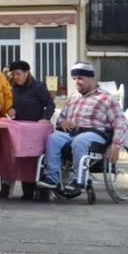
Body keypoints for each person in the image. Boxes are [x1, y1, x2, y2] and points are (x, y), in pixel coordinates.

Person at [36, 62, 128, 193]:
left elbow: (120, 122)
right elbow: (61, 118)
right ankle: (52, 178)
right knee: (52, 138)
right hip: (73, 133)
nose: (76, 82)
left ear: (91, 78)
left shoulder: (106, 98)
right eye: (74, 79)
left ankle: (78, 181)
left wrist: (116, 145)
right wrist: (62, 122)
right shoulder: (73, 97)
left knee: (80, 141)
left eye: (80, 78)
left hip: (96, 134)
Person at [4, 60, 54, 200]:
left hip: (36, 131)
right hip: (21, 130)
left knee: (35, 159)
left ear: (27, 73)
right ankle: (27, 192)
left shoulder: (38, 87)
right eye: (13, 74)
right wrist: (12, 110)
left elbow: (50, 104)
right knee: (23, 159)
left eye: (18, 74)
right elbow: (13, 105)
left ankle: (41, 191)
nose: (16, 77)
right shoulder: (14, 88)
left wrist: (45, 118)